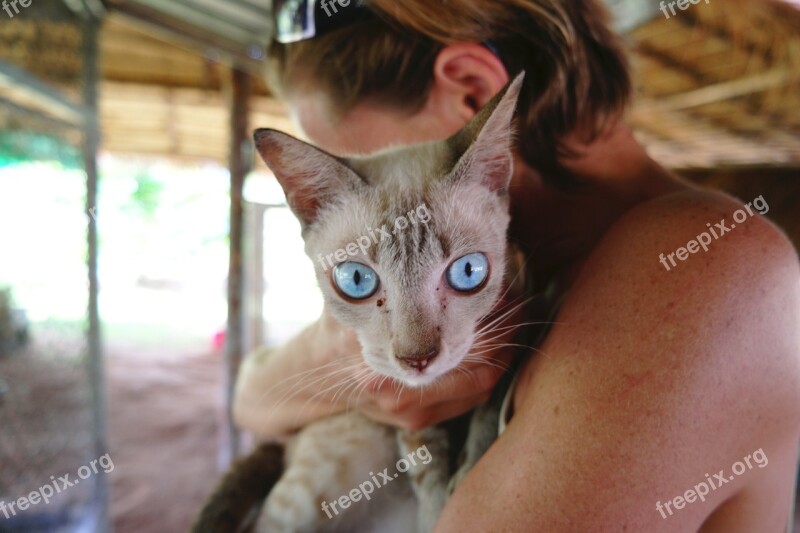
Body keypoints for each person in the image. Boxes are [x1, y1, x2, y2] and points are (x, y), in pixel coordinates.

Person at [234, 0, 800, 530]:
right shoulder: (513, 269)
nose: (354, 186)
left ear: (474, 94)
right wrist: (314, 367)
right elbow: (251, 405)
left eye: (358, 160)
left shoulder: (705, 267)